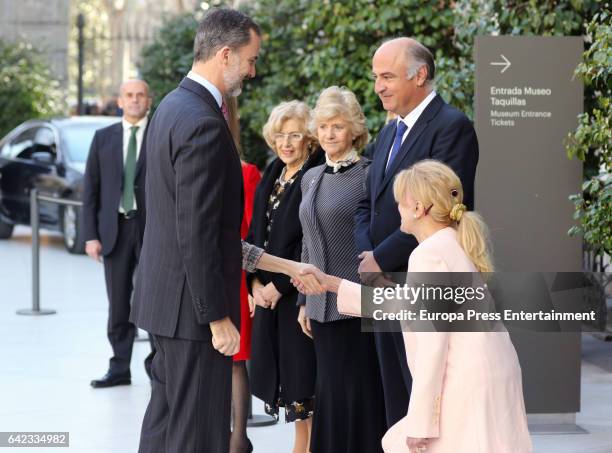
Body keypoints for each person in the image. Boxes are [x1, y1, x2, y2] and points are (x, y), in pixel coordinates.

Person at [300, 160, 532, 453]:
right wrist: (333, 285)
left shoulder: (428, 254)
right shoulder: (454, 242)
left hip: (466, 381)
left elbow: (431, 346)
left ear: (419, 207)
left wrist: (421, 423)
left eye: (399, 202)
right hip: (490, 371)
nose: (396, 208)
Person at [129, 10, 262, 452]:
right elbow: (198, 230)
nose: (251, 70)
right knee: (197, 435)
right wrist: (218, 318)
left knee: (164, 425)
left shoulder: (170, 106)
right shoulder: (203, 121)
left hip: (163, 301)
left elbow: (152, 206)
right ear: (225, 54)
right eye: (249, 59)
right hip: (193, 315)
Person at [354, 37, 479, 427]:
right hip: (379, 280)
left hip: (420, 281)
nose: (379, 86)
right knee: (394, 396)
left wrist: (381, 258)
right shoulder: (389, 133)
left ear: (420, 75)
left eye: (387, 76)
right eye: (376, 77)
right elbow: (367, 202)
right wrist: (367, 257)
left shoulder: (452, 127)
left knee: (426, 397)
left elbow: (438, 210)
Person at [298, 86, 387, 453]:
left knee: (359, 392)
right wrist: (303, 301)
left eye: (337, 126)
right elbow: (307, 242)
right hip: (319, 309)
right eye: (322, 127)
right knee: (329, 393)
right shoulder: (311, 176)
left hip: (356, 306)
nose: (329, 134)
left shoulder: (369, 174)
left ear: (353, 130)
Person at [246, 101, 323, 452]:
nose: (286, 143)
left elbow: (310, 239)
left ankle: (303, 447)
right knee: (286, 376)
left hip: (299, 290)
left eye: (294, 135)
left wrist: (277, 285)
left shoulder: (315, 174)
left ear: (309, 138)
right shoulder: (274, 170)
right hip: (268, 290)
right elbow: (255, 233)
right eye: (280, 135)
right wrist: (255, 283)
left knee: (304, 377)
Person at [83, 79, 155, 388]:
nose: (135, 100)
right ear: (120, 101)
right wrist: (90, 235)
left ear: (149, 101)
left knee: (154, 298)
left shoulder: (159, 134)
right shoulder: (103, 138)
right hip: (114, 230)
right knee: (118, 302)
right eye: (130, 95)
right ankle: (119, 367)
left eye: (141, 95)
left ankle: (159, 368)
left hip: (152, 229)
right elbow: (91, 190)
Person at [225, 95, 261, 453]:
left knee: (236, 360)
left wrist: (251, 282)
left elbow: (249, 229)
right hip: (205, 273)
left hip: (236, 272)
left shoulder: (247, 172)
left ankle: (238, 437)